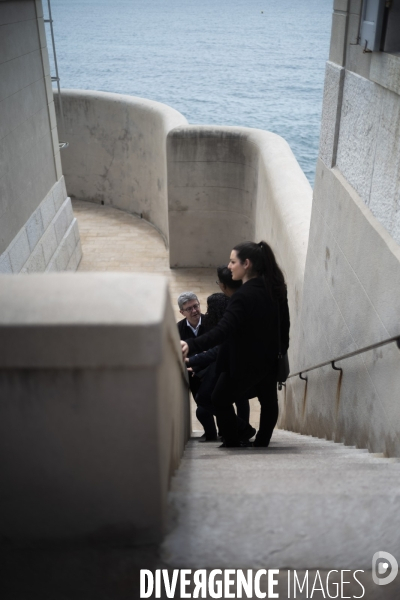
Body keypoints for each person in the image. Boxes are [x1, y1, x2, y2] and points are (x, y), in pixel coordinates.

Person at [181, 241, 290, 448]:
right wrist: (280, 352)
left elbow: (222, 332)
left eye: (233, 261)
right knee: (268, 402)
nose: (229, 266)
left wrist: (191, 345)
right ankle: (261, 443)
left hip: (244, 363)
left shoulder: (242, 296)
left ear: (246, 264)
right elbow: (284, 328)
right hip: (269, 360)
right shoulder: (276, 290)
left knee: (219, 398)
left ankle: (232, 441)